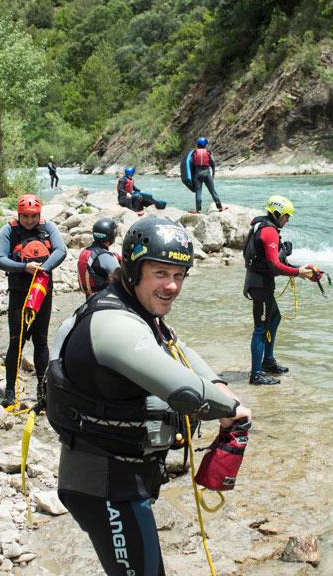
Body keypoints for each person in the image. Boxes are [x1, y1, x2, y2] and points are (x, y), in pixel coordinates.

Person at [47, 216, 253, 576]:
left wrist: (221, 387)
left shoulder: (136, 310)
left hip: (123, 477)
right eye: (160, 273)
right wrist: (231, 409)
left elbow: (179, 350)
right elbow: (185, 392)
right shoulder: (113, 325)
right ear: (132, 269)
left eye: (179, 275)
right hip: (107, 486)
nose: (171, 286)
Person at [0, 194, 67, 407]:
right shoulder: (8, 230)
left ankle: (41, 388)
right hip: (19, 290)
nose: (29, 221)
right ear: (19, 215)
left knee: (41, 341)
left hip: (42, 289)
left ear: (39, 214)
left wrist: (44, 268)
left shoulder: (48, 228)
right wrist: (23, 267)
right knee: (16, 340)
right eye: (25, 216)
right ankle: (9, 389)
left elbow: (61, 250)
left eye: (33, 216)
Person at [242, 195, 314, 385]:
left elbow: (273, 261)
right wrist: (298, 272)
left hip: (258, 283)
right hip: (261, 286)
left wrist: (296, 266)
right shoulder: (269, 231)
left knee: (274, 318)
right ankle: (256, 374)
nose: (288, 220)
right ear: (276, 213)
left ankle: (268, 361)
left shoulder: (261, 226)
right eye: (286, 216)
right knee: (260, 328)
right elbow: (274, 266)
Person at [77, 217, 121, 296]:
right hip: (104, 297)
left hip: (90, 297)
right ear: (112, 235)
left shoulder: (85, 252)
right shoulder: (106, 256)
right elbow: (120, 279)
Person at [186, 137, 226, 214]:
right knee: (212, 191)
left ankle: (198, 210)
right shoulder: (208, 152)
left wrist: (191, 174)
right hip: (207, 174)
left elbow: (191, 163)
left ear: (198, 144)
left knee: (198, 192)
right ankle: (220, 207)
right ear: (205, 145)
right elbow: (213, 162)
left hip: (197, 174)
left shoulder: (194, 152)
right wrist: (213, 173)